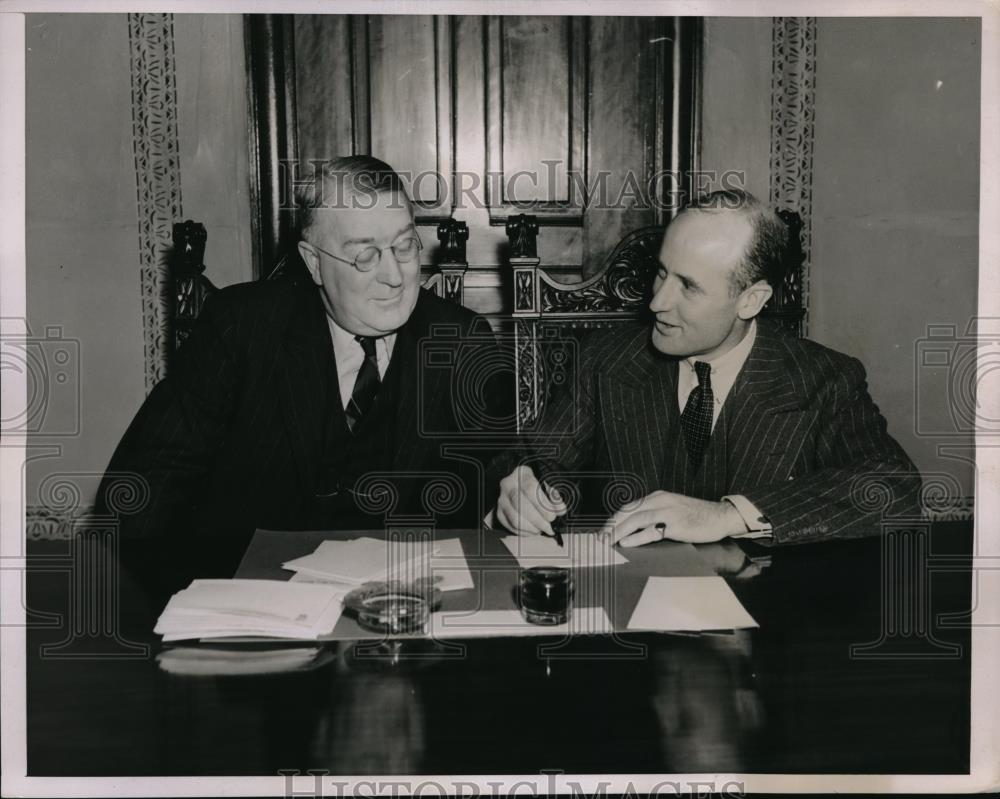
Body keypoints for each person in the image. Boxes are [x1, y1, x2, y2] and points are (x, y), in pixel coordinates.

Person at [98, 156, 510, 597]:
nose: (394, 276)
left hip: (401, 615)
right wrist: (192, 610)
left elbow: (498, 467)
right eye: (365, 255)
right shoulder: (242, 330)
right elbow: (138, 493)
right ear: (313, 262)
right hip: (257, 612)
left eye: (405, 247)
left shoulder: (462, 338)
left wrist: (514, 490)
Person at [492, 189, 921, 547]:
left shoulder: (823, 379)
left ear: (751, 300)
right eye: (661, 273)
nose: (657, 302)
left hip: (762, 625)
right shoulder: (605, 358)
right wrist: (523, 485)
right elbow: (538, 457)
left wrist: (728, 515)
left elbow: (893, 488)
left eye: (689, 287)